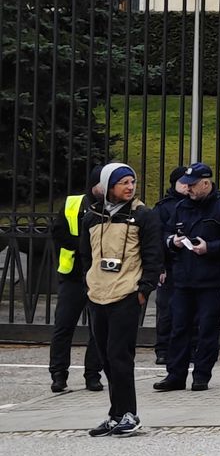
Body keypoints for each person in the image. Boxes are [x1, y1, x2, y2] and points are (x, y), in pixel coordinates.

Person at [76, 163, 163, 438]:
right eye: (123, 182)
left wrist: (143, 289)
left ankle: (129, 413)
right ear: (108, 186)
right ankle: (115, 415)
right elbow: (85, 255)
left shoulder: (143, 216)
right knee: (104, 355)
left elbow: (153, 255)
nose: (129, 187)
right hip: (98, 293)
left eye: (132, 182)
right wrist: (89, 282)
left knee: (119, 355)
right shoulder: (92, 216)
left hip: (126, 293)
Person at [152, 163, 220, 393]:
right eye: (186, 185)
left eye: (192, 185)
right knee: (178, 328)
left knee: (207, 330)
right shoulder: (181, 207)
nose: (187, 189)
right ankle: (175, 375)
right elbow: (165, 235)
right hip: (183, 280)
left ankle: (201, 376)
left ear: (206, 183)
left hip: (212, 281)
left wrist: (210, 247)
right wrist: (173, 242)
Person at [46, 177, 103, 394]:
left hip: (99, 276)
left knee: (98, 329)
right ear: (94, 185)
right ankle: (58, 374)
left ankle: (93, 375)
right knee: (63, 326)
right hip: (73, 276)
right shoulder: (73, 203)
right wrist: (85, 246)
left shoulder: (113, 208)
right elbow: (58, 233)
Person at [148, 166, 190, 367]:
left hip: (191, 265)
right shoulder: (163, 207)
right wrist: (160, 267)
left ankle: (189, 347)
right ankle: (163, 349)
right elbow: (155, 239)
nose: (187, 186)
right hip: (170, 266)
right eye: (183, 182)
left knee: (191, 311)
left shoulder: (196, 204)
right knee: (166, 310)